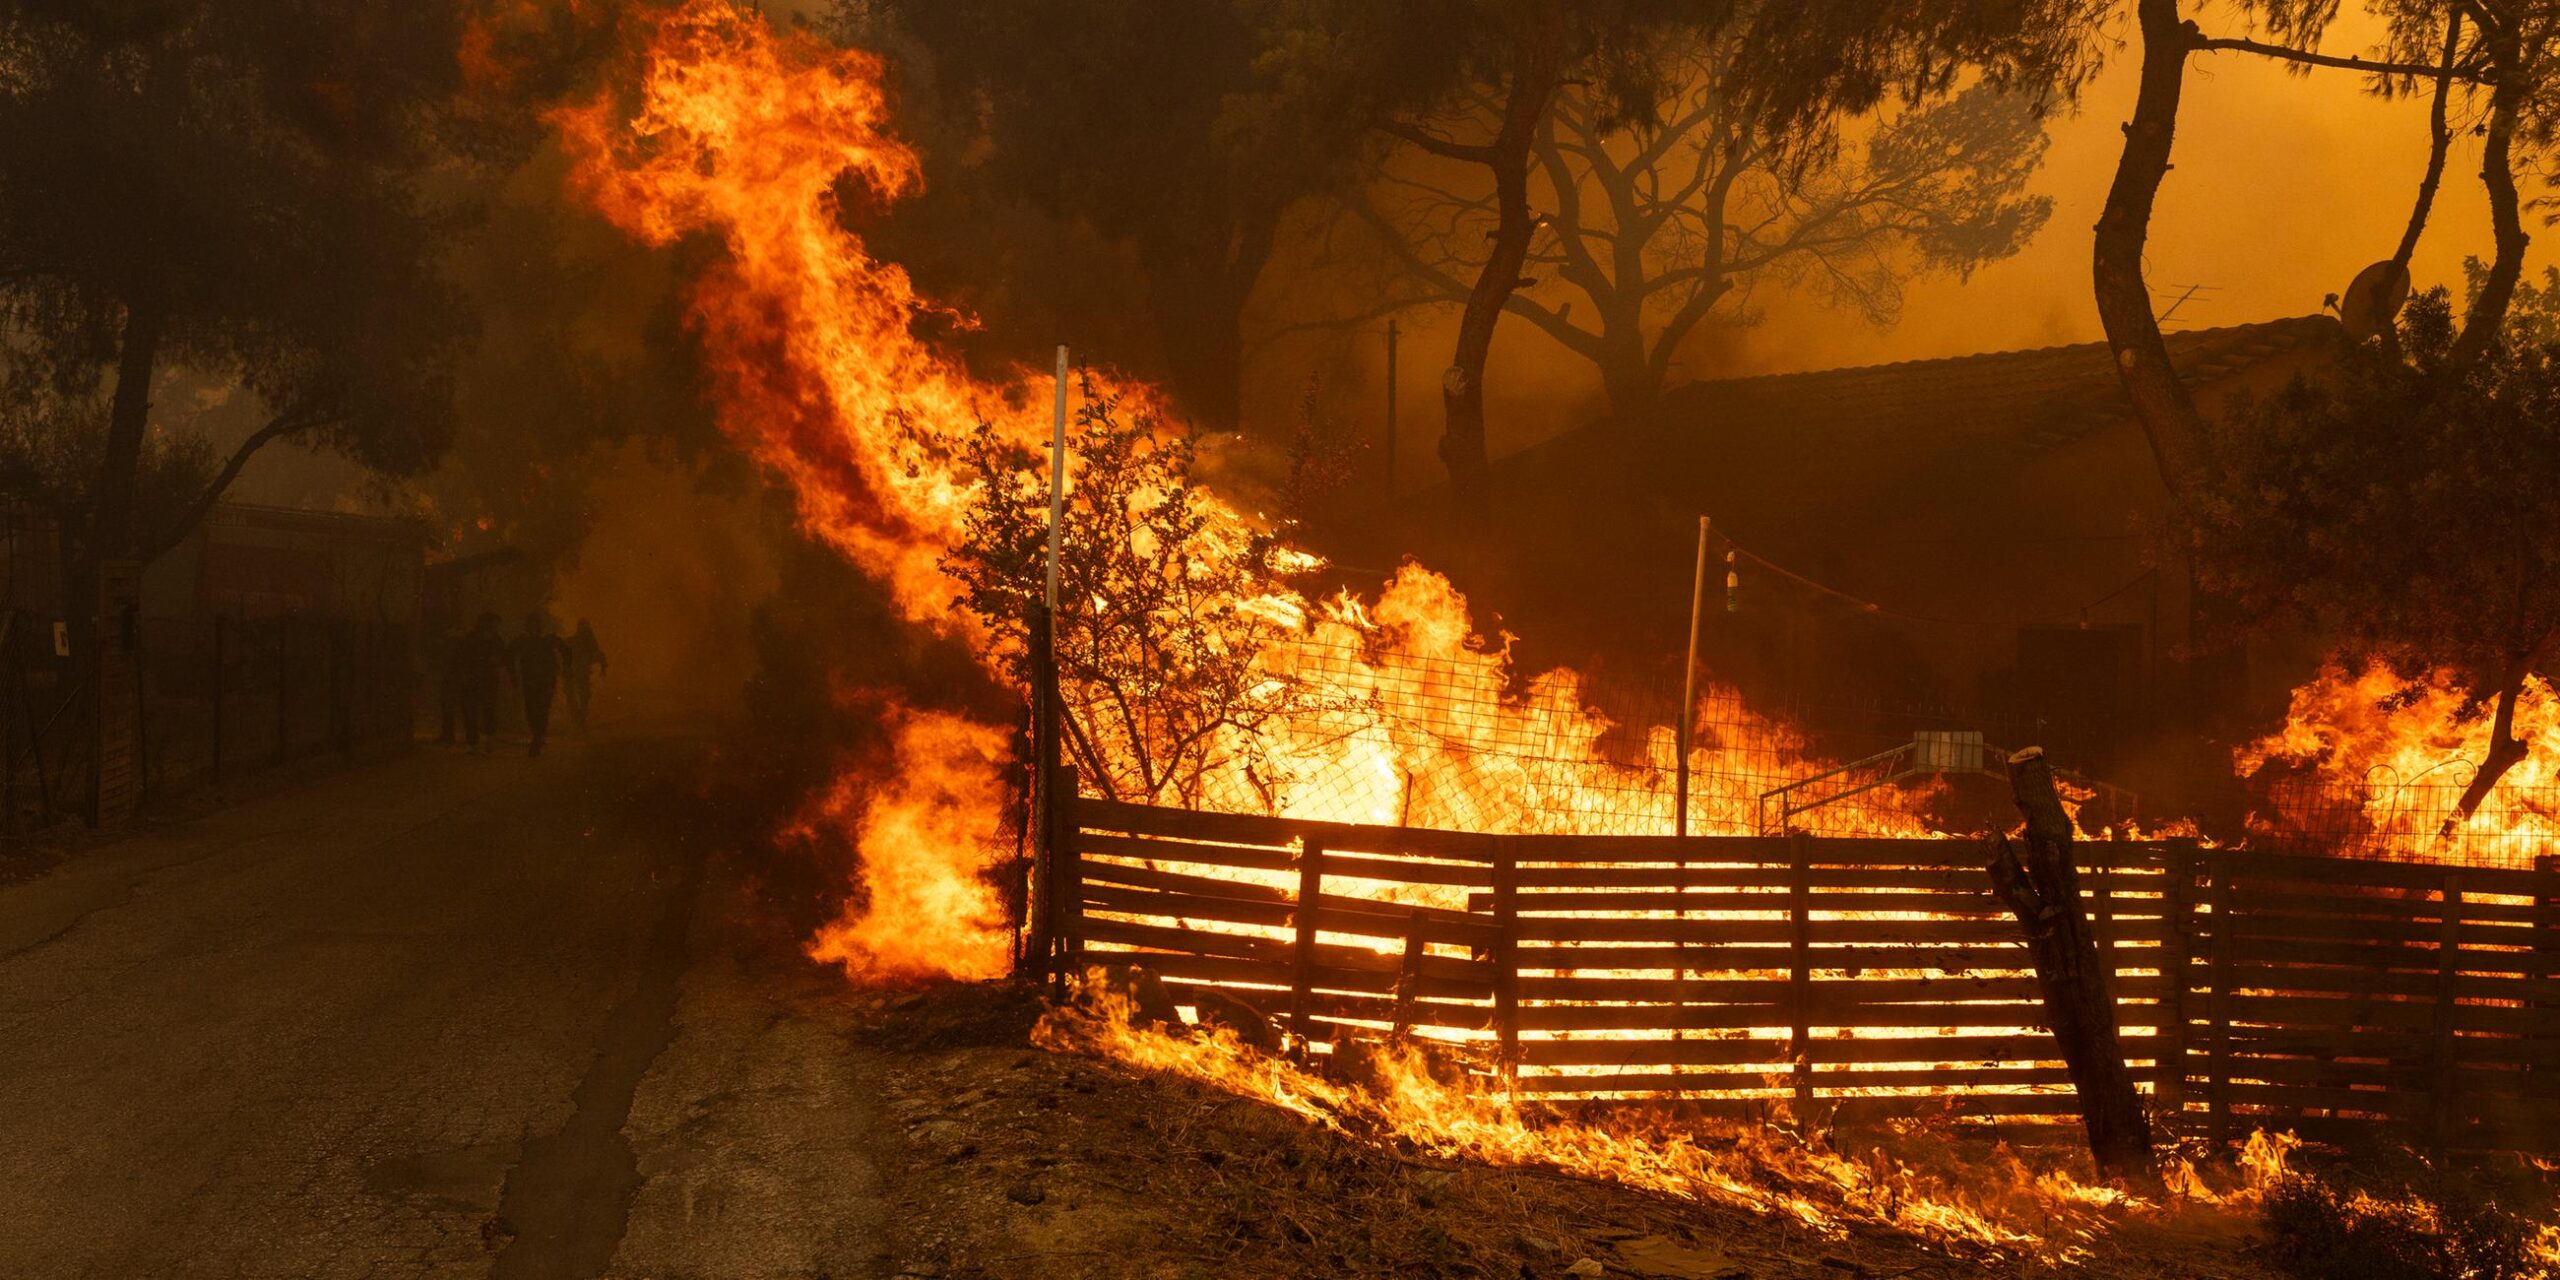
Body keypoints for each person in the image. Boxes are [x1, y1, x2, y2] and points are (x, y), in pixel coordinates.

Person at [508, 612, 573, 758]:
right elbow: (509, 655)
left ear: (539, 626)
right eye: (530, 625)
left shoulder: (548, 639)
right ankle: (537, 735)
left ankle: (537, 737)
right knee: (531, 710)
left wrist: (567, 668)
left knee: (543, 709)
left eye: (535, 625)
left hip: (546, 681)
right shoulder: (523, 641)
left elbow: (566, 650)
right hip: (530, 681)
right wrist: (513, 675)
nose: (533, 628)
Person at [456, 613, 506, 755]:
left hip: (486, 680)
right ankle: (474, 742)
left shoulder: (495, 639)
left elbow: (501, 657)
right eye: (492, 623)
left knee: (486, 711)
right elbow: (463, 657)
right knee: (472, 712)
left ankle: (487, 740)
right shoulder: (472, 638)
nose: (494, 626)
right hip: (473, 680)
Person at [564, 619, 608, 731]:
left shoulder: (589, 643)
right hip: (573, 673)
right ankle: (578, 717)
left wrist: (603, 668)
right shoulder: (574, 641)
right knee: (576, 696)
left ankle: (580, 718)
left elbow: (599, 655)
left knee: (583, 697)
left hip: (580, 673)